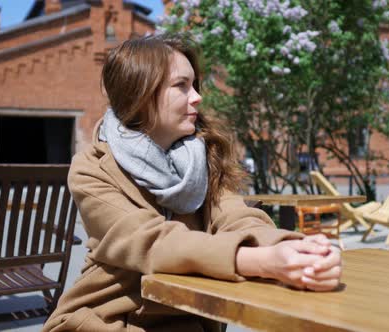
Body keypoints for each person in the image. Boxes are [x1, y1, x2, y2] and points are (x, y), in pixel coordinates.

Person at [43, 33, 341, 332]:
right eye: (181, 86)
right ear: (140, 94)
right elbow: (149, 242)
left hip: (187, 321)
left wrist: (294, 250)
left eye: (195, 85)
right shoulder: (92, 167)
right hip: (104, 321)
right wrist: (262, 261)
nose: (197, 97)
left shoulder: (203, 156)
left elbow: (238, 216)